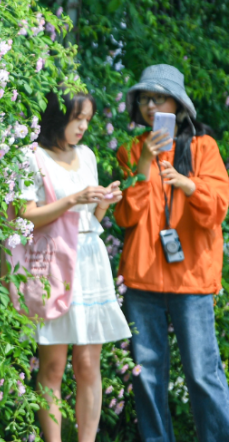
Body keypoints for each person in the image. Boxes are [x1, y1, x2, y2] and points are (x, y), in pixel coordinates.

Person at [115, 64, 229, 442]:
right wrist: (144, 163)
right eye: (144, 99)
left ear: (178, 105)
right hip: (142, 279)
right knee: (146, 373)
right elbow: (126, 216)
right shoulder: (131, 150)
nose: (151, 106)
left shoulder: (203, 148)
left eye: (159, 98)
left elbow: (217, 209)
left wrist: (187, 184)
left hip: (192, 279)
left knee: (202, 373)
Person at [17, 91, 131, 442]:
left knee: (87, 364)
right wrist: (73, 199)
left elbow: (90, 219)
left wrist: (104, 202)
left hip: (89, 260)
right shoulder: (31, 157)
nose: (83, 126)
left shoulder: (87, 156)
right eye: (76, 118)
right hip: (52, 264)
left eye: (88, 120)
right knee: (52, 367)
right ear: (58, 115)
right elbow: (26, 217)